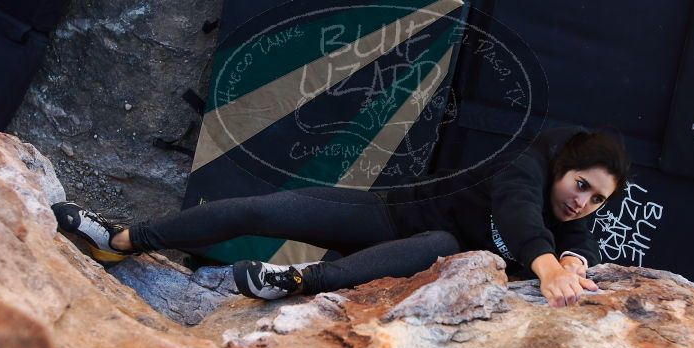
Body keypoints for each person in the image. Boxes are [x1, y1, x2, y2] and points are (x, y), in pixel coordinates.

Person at [52, 125, 631, 308]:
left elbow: (577, 235)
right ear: (561, 166)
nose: (583, 202)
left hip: (418, 256)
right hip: (386, 216)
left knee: (445, 244)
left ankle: (295, 283)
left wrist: (575, 259)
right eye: (581, 185)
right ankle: (122, 239)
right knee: (268, 208)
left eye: (598, 199)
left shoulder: (574, 221)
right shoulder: (525, 169)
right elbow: (519, 212)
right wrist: (548, 265)